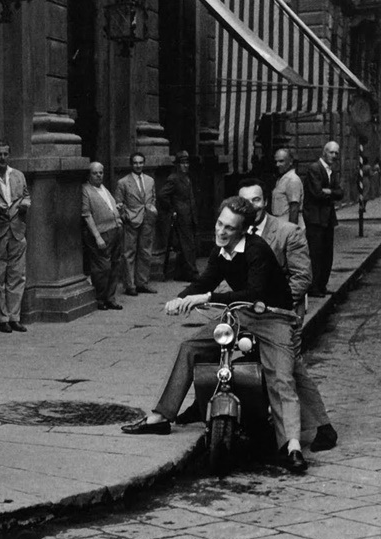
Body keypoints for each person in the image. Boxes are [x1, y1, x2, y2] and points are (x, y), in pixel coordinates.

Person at [121, 197, 309, 474]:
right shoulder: (220, 251)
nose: (221, 231)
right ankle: (161, 416)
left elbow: (253, 292)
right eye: (220, 224)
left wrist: (205, 297)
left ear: (243, 231)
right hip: (239, 315)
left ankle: (291, 446)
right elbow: (205, 280)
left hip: (273, 317)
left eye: (229, 228)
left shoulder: (257, 250)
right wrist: (181, 299)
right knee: (190, 347)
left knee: (282, 377)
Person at [238, 180, 337, 451]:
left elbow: (302, 277)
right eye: (245, 202)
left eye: (256, 200)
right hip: (251, 311)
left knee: (290, 366)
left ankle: (323, 428)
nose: (251, 207)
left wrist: (270, 304)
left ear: (266, 202)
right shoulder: (237, 231)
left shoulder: (287, 231)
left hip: (284, 311)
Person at [0, 141, 31, 333]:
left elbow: (26, 195)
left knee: (17, 275)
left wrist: (26, 203)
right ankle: (1, 318)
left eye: (5, 154)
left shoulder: (18, 175)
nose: (2, 158)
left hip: (17, 229)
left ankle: (14, 317)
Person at [81, 162, 124, 310]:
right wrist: (97, 236)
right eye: (95, 173)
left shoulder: (104, 188)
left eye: (101, 172)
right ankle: (100, 298)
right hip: (101, 233)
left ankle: (110, 298)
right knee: (102, 267)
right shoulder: (86, 190)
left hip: (116, 229)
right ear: (89, 175)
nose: (99, 175)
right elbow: (87, 215)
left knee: (115, 264)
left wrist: (116, 210)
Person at [303, 141, 343, 297]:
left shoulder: (331, 170)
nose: (334, 156)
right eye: (331, 152)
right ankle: (314, 287)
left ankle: (322, 285)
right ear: (324, 152)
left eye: (336, 153)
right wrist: (332, 192)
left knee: (327, 253)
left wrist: (329, 191)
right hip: (315, 218)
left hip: (327, 218)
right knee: (316, 253)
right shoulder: (315, 168)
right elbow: (317, 193)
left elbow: (341, 193)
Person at [115, 152, 158, 295]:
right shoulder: (123, 182)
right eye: (135, 163)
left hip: (147, 219)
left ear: (144, 163)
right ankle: (130, 285)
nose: (138, 165)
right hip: (131, 221)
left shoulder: (150, 180)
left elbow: (153, 198)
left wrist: (152, 211)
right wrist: (125, 216)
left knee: (145, 251)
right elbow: (118, 203)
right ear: (131, 164)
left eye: (140, 163)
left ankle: (142, 283)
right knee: (129, 253)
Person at [158, 151, 199, 281]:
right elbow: (162, 195)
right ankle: (192, 272)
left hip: (189, 214)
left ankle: (181, 273)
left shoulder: (186, 178)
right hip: (181, 216)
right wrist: (172, 209)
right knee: (187, 245)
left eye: (187, 163)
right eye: (182, 163)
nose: (185, 166)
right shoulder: (173, 178)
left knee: (187, 244)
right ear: (177, 165)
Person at [272, 148, 303, 226]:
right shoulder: (282, 179)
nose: (277, 165)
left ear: (290, 162)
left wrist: (291, 231)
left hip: (287, 223)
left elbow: (294, 208)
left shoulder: (292, 179)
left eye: (281, 161)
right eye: (276, 161)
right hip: (280, 222)